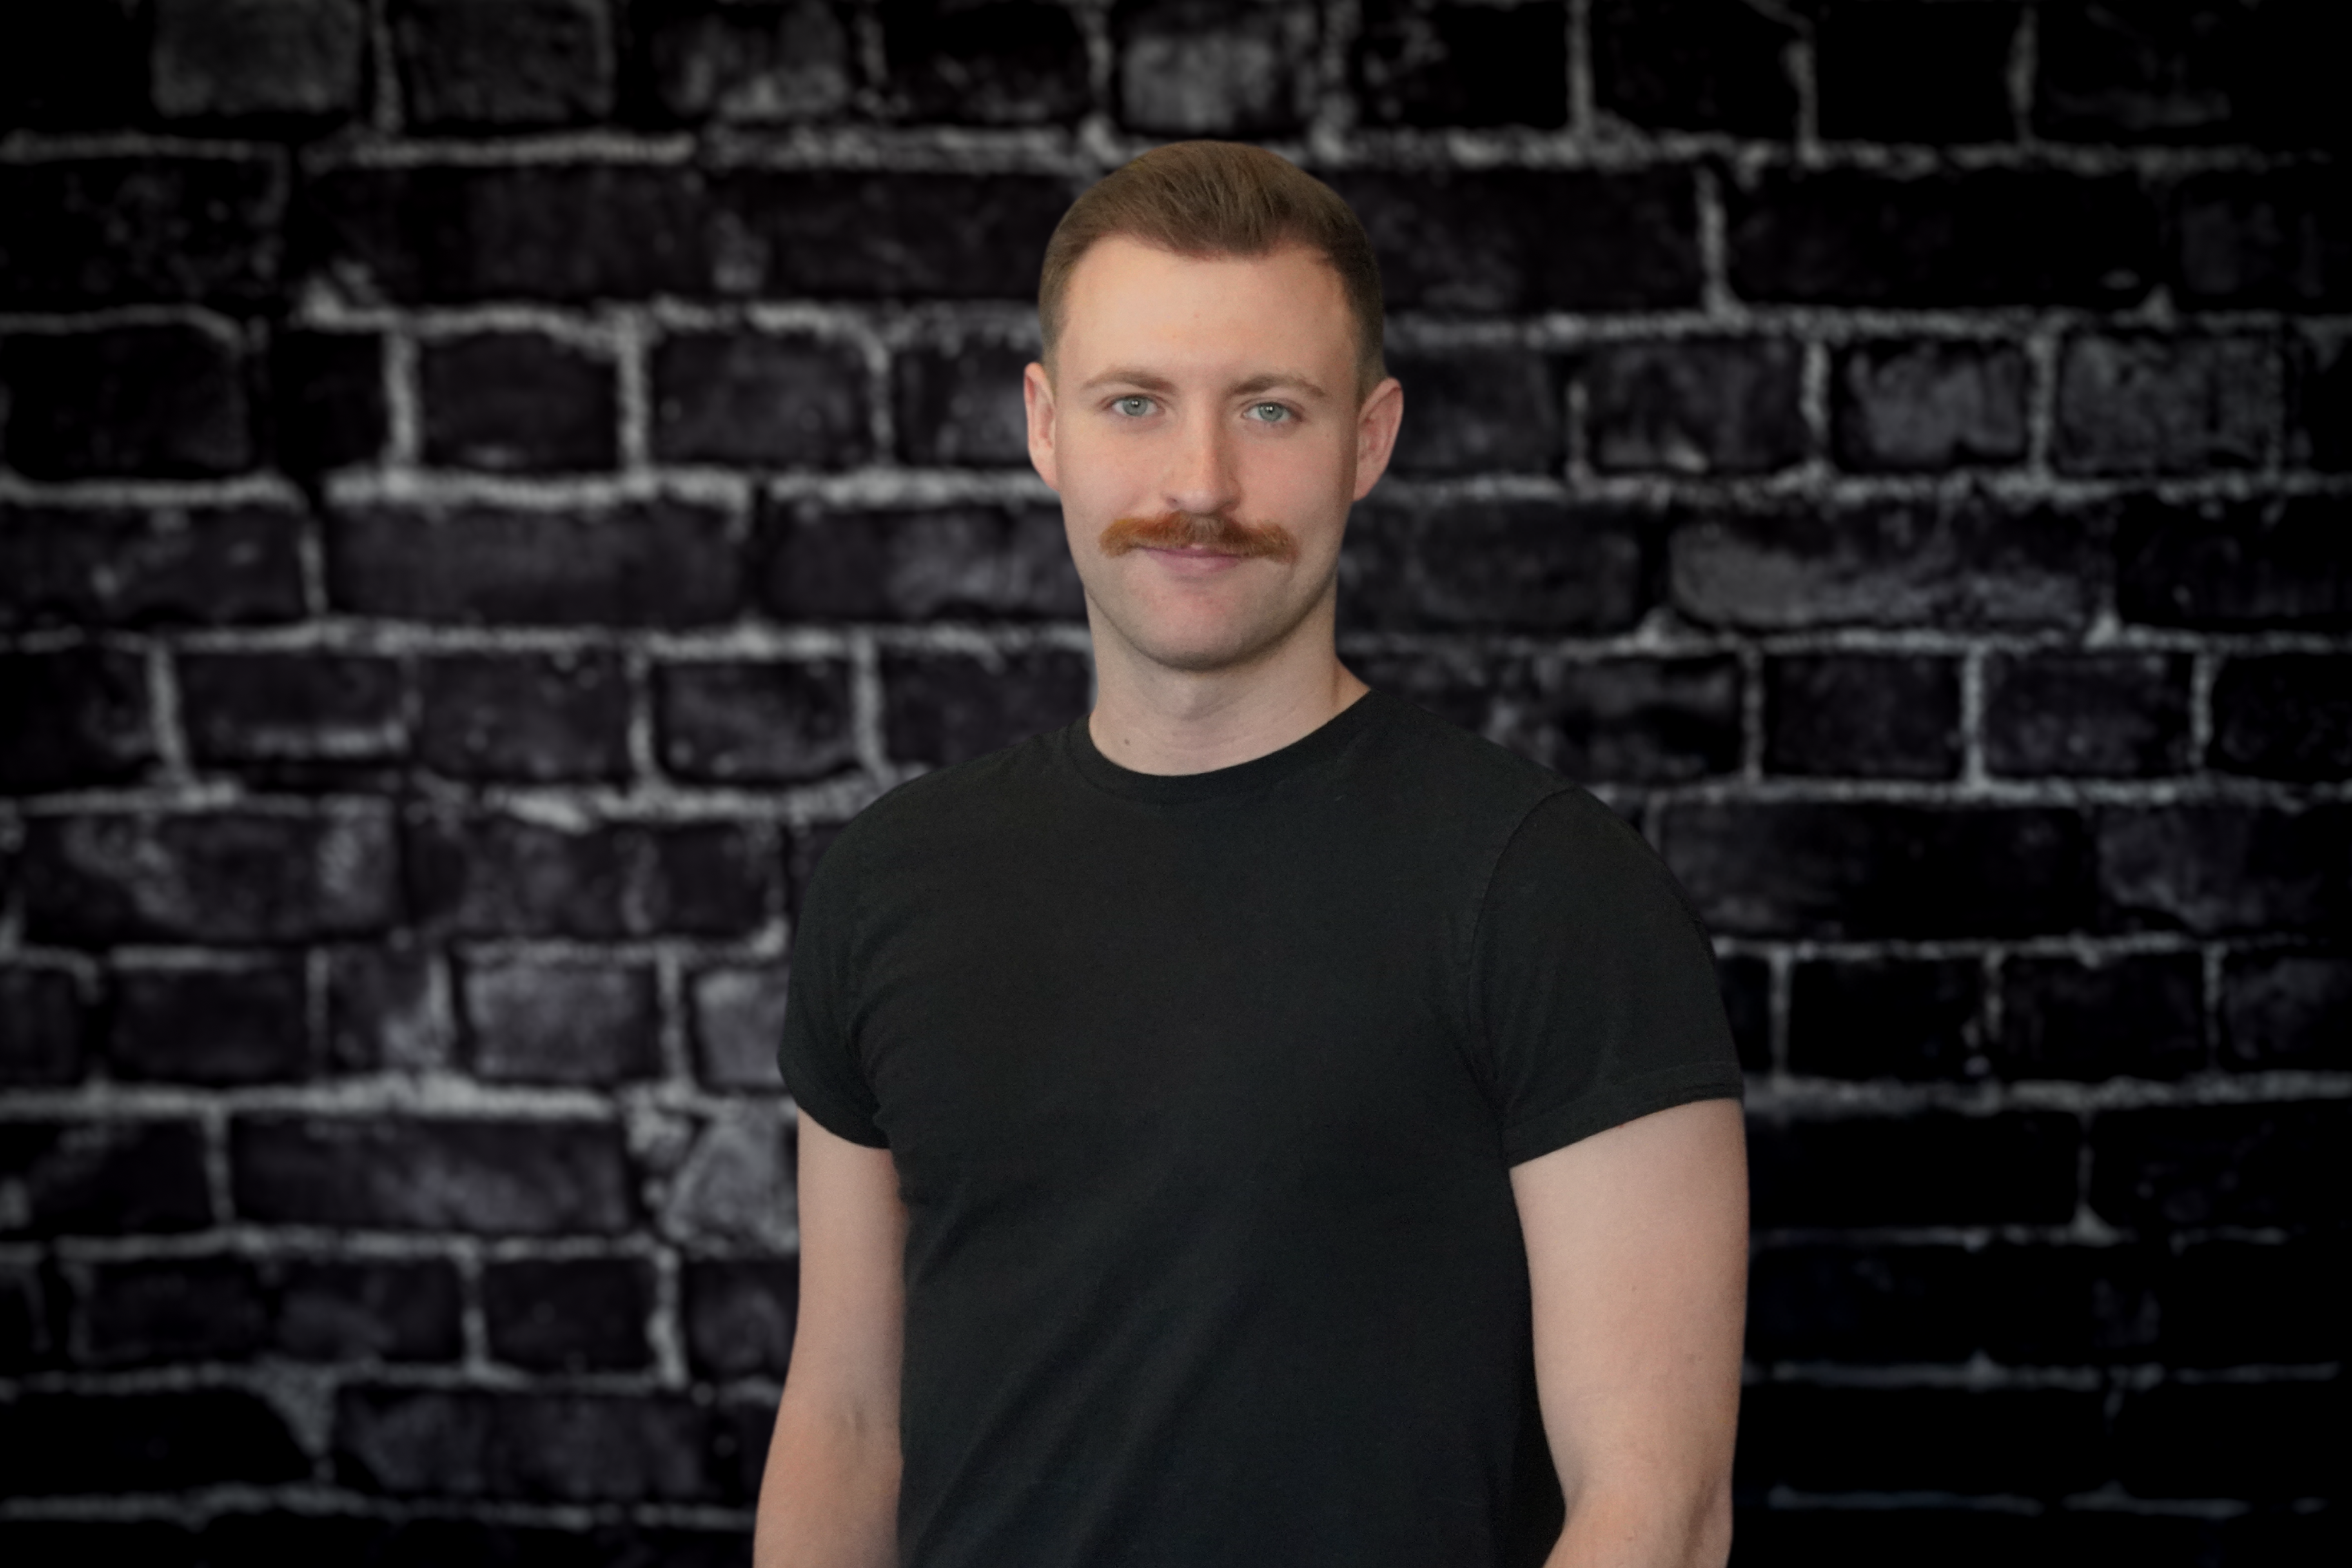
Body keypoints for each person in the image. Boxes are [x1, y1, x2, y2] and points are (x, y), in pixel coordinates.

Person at [754, 140, 1748, 1568]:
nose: (1200, 482)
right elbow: (848, 1420)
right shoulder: (887, 882)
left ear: (1369, 437)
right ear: (1047, 427)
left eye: (1271, 408)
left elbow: (1658, 1508)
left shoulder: (1550, 890)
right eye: (1135, 404)